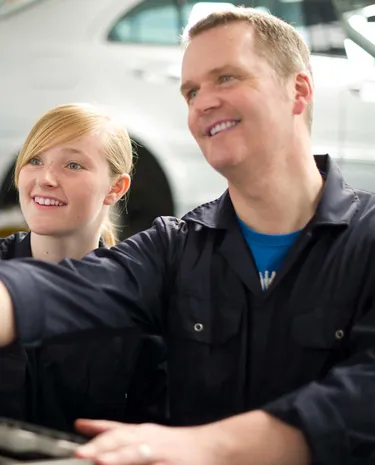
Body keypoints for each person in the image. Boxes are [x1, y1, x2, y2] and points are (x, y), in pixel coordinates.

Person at [0, 6, 373, 464]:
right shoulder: (175, 246)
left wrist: (212, 445)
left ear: (297, 91)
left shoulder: (368, 239)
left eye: (227, 79)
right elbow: (64, 289)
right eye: (191, 91)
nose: (202, 102)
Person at [0, 103, 167, 431]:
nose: (45, 178)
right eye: (35, 160)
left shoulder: (137, 300)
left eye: (73, 165)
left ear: (116, 188)